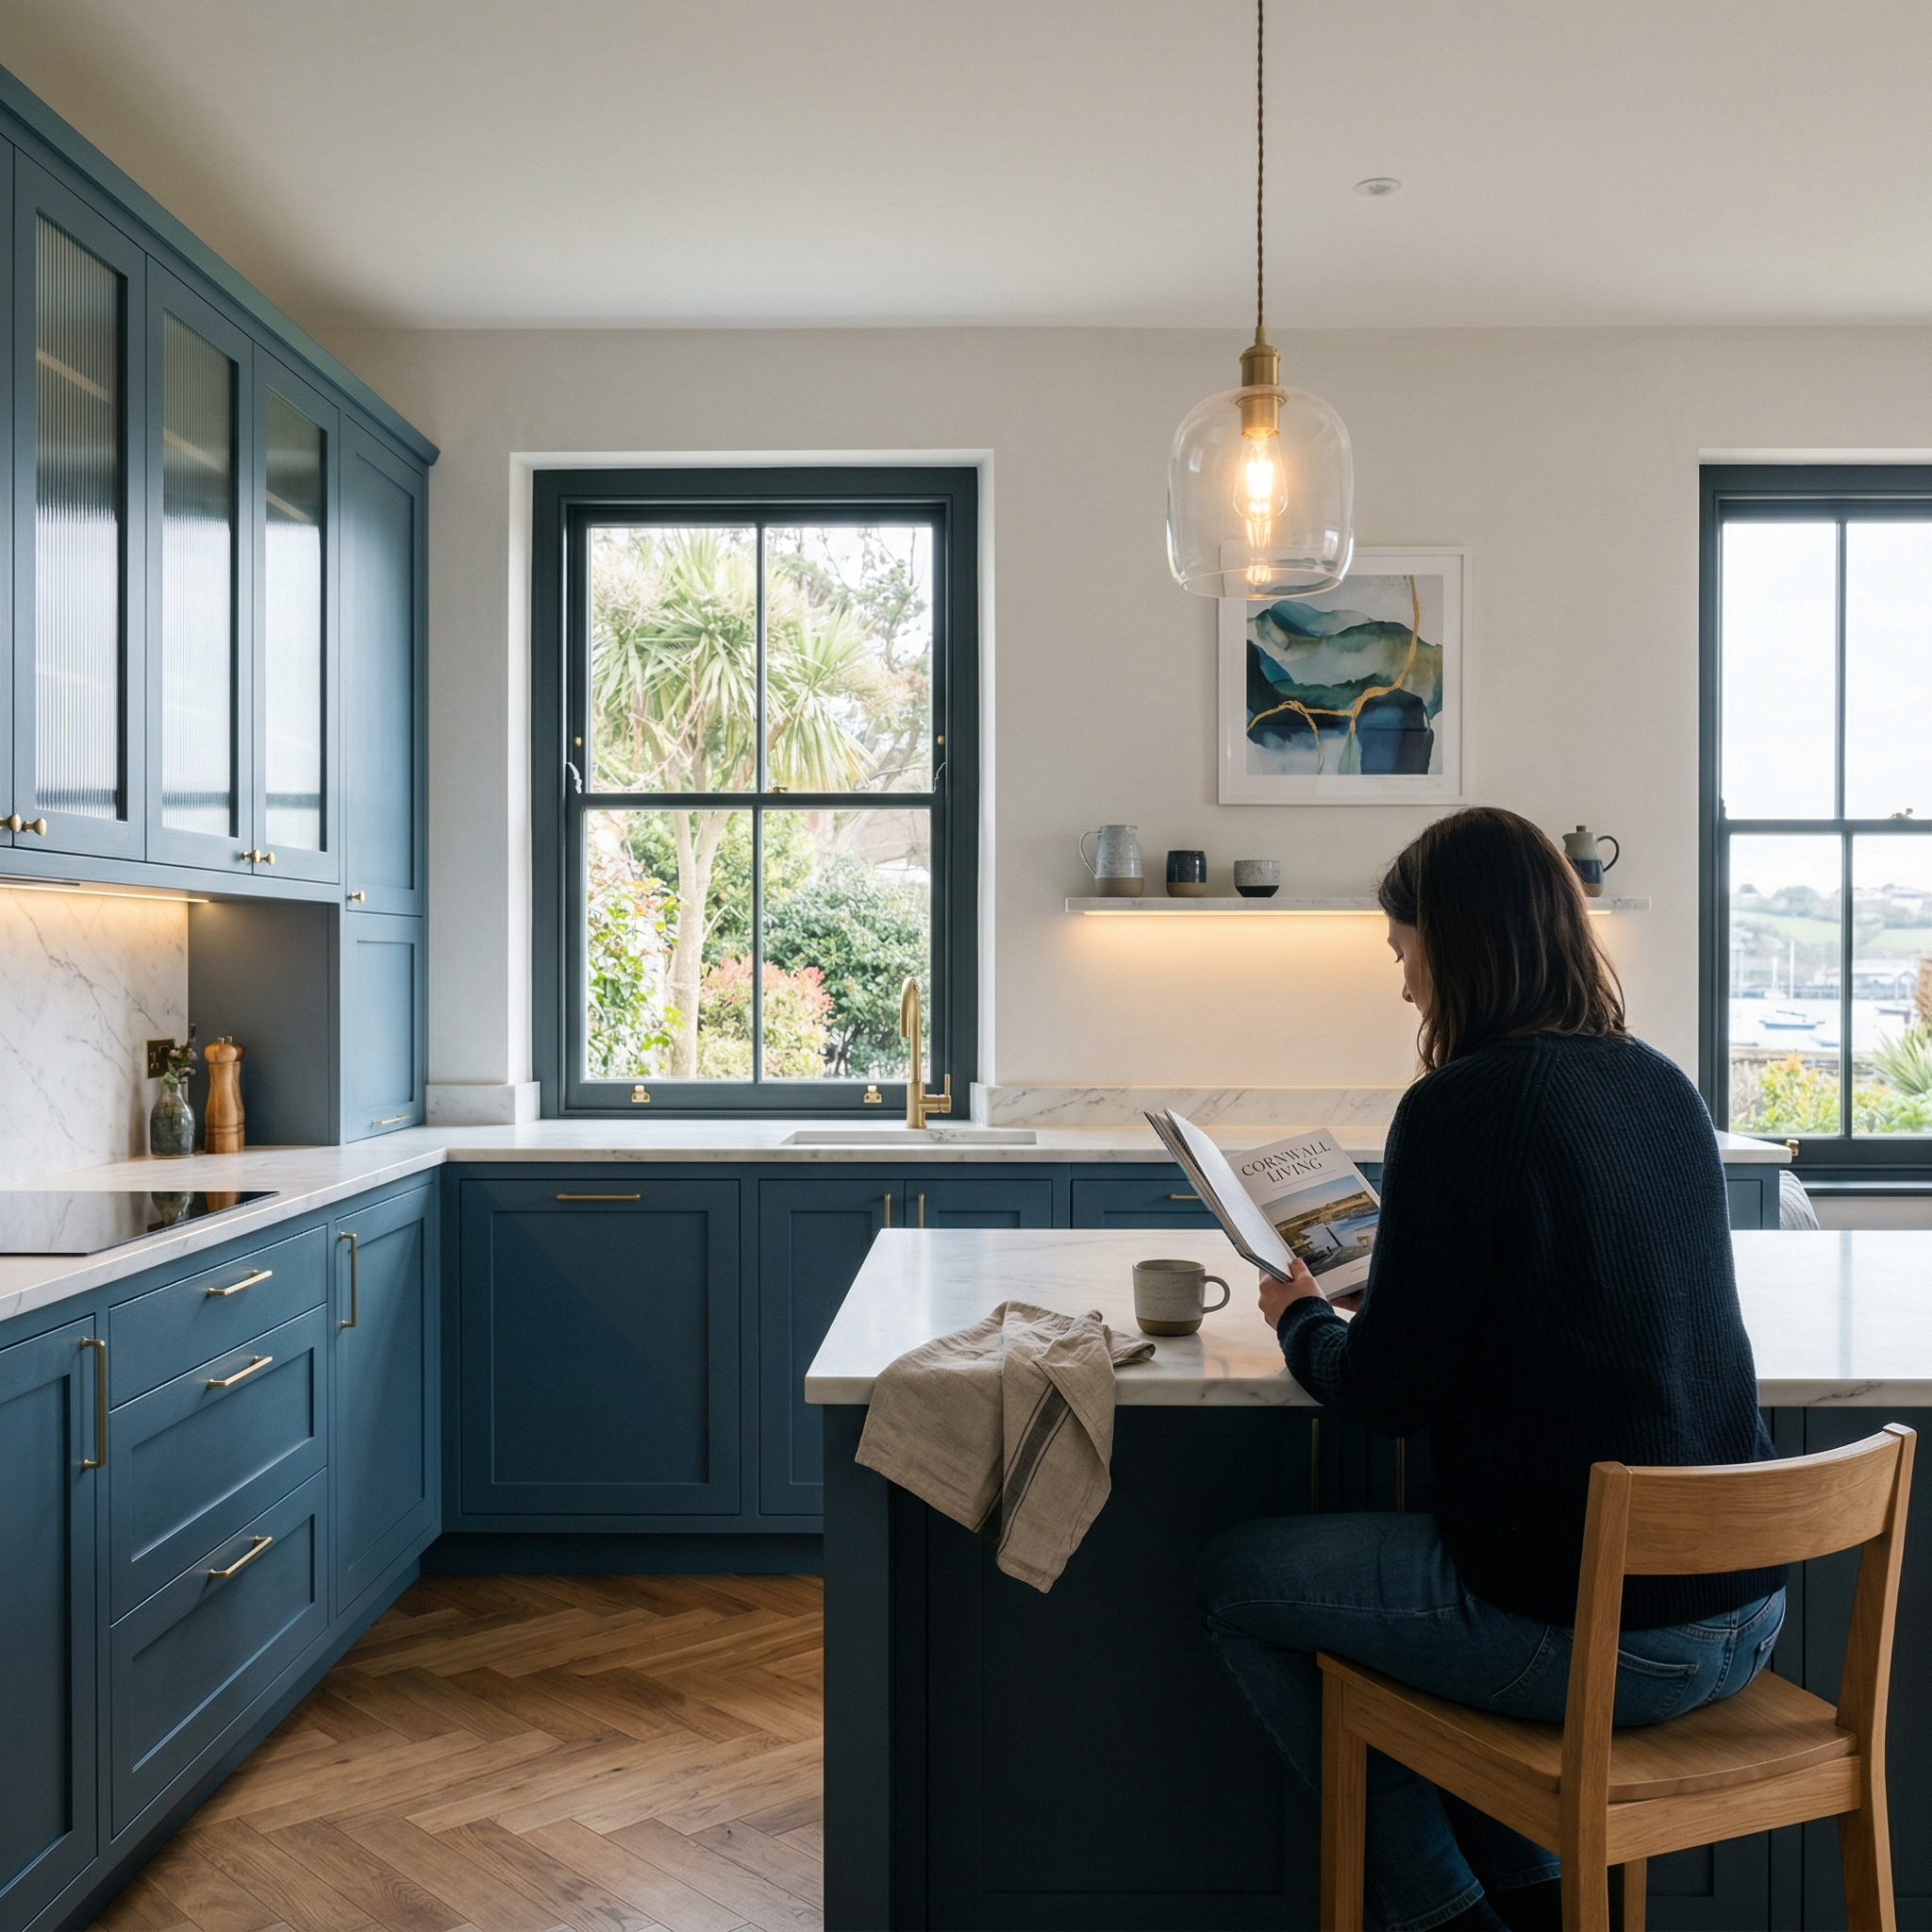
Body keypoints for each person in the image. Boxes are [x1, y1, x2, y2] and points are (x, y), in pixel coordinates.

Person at [1195, 808, 1785, 1932]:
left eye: (1403, 952)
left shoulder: (1457, 1107)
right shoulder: (1660, 1084)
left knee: (1236, 1580)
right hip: (1746, 1613)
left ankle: (1451, 1918)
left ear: (1454, 944)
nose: (1404, 986)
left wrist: (1301, 1315)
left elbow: (1384, 1400)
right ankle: (1536, 1894)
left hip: (1605, 1638)